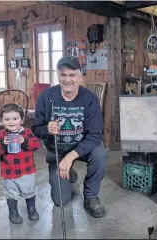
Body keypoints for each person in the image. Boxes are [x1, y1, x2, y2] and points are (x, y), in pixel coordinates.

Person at [32, 56, 107, 218]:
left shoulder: (90, 99)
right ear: (57, 76)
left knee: (100, 154)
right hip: (57, 150)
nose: (67, 80)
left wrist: (70, 157)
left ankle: (91, 196)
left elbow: (95, 135)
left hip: (82, 148)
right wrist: (47, 129)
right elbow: (35, 129)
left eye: (72, 75)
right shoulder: (45, 97)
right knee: (60, 201)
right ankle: (69, 174)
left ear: (80, 76)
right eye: (63, 75)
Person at [0, 103, 41, 224]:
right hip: (9, 172)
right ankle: (13, 213)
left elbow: (35, 147)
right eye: (7, 119)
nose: (11, 122)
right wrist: (3, 144)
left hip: (26, 171)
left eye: (15, 118)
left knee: (29, 191)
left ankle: (32, 210)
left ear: (21, 119)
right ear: (2, 120)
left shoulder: (27, 132)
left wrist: (24, 142)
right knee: (11, 194)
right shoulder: (1, 134)